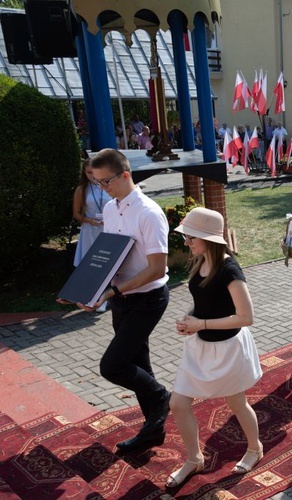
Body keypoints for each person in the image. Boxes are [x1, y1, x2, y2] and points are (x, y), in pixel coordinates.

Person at [167, 208, 263, 487]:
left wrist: (202, 324)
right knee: (177, 403)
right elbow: (203, 301)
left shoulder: (230, 269)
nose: (186, 242)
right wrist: (190, 319)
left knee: (237, 403)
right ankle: (195, 459)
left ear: (207, 238)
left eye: (190, 237)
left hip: (228, 349)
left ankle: (255, 448)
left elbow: (246, 317)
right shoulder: (199, 262)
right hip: (200, 346)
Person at [84, 149, 171, 452]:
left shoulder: (149, 213)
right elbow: (110, 258)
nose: (102, 189)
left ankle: (161, 397)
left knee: (113, 366)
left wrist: (114, 292)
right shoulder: (110, 209)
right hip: (121, 298)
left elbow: (157, 269)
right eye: (97, 183)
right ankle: (153, 429)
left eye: (105, 182)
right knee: (138, 364)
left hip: (148, 298)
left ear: (125, 175)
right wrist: (91, 290)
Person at [72, 159, 113, 267]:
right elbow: (76, 213)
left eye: (94, 171)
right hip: (90, 229)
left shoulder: (109, 186)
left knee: (108, 259)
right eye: (89, 172)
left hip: (108, 227)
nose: (92, 175)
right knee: (90, 262)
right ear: (84, 173)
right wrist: (89, 220)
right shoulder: (81, 190)